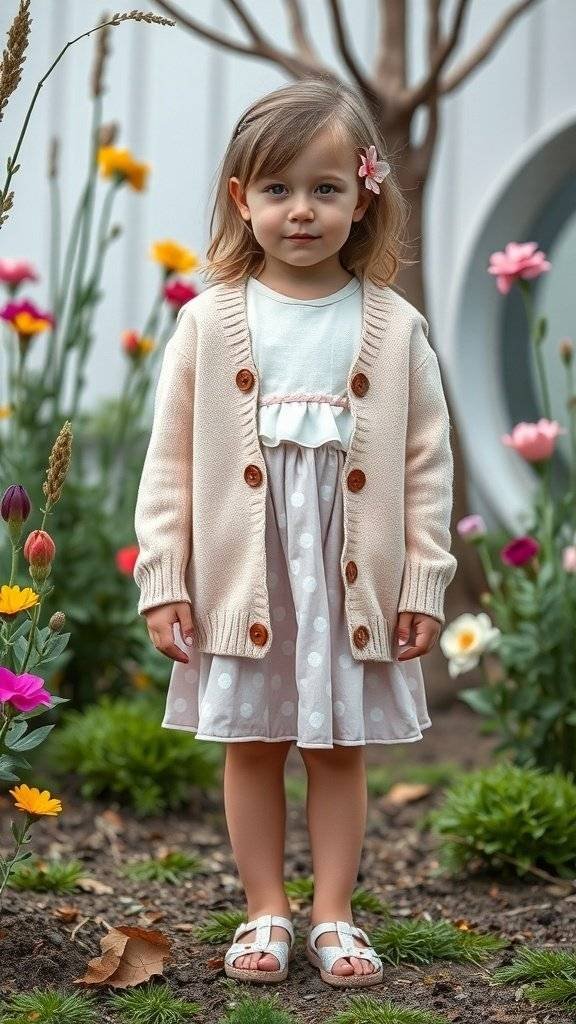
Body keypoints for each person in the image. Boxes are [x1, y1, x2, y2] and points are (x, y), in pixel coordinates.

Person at [132, 77, 457, 989]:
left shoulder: (394, 328)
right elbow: (171, 463)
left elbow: (427, 461)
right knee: (254, 740)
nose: (302, 211)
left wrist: (422, 579)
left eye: (324, 189)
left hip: (347, 580)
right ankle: (265, 909)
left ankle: (334, 915)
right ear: (243, 199)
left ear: (365, 195)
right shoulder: (209, 324)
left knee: (336, 745)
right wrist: (167, 574)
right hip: (249, 578)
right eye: (277, 190)